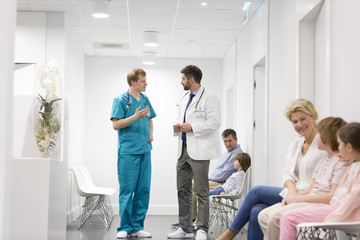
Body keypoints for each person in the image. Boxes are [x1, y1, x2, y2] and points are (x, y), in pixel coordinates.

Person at [216, 98, 327, 240]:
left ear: (314, 117)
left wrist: (297, 195)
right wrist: (292, 191)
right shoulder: (295, 145)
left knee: (256, 191)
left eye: (303, 119)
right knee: (256, 211)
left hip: (310, 195)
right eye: (295, 122)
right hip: (293, 191)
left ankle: (228, 235)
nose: (299, 125)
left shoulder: (324, 144)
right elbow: (287, 173)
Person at [258, 117, 348, 240]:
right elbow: (309, 189)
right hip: (308, 199)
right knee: (263, 215)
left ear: (327, 137)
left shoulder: (340, 162)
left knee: (275, 217)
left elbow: (332, 196)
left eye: (319, 134)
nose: (316, 137)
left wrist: (299, 199)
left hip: (319, 203)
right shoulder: (324, 159)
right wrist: (292, 198)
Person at [279, 122, 360, 239]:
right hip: (334, 206)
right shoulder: (354, 165)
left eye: (340, 145)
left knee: (288, 217)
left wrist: (333, 217)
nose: (338, 149)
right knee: (287, 214)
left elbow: (353, 199)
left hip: (338, 210)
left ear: (349, 147)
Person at [168, 65, 221, 240]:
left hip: (200, 150)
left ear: (191, 79)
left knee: (201, 191)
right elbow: (182, 120)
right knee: (182, 190)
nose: (181, 81)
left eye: (183, 78)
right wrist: (178, 127)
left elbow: (215, 123)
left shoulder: (210, 98)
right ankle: (185, 228)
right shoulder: (184, 99)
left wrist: (193, 127)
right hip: (183, 150)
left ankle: (202, 230)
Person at [110, 68, 156, 239]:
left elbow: (150, 118)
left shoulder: (145, 99)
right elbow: (116, 125)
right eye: (143, 81)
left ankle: (138, 226)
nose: (146, 83)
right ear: (133, 82)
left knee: (143, 190)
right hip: (128, 152)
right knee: (127, 190)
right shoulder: (120, 100)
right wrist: (134, 117)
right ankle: (125, 227)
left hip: (145, 150)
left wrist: (151, 134)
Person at [192, 129, 244, 221]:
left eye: (230, 141)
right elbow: (218, 172)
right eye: (225, 141)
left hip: (222, 184)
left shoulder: (237, 154)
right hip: (217, 181)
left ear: (236, 139)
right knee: (192, 184)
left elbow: (222, 175)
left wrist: (206, 179)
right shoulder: (227, 152)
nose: (227, 144)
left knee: (193, 185)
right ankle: (192, 219)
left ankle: (192, 220)